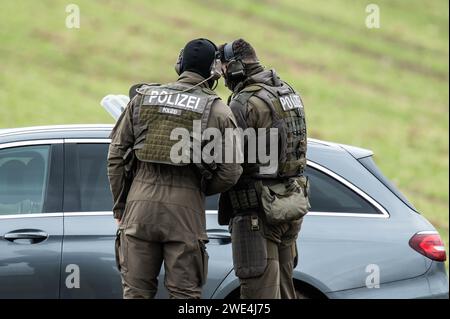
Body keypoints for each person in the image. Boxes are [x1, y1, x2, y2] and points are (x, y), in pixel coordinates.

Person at [107, 38, 242, 299]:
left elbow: (115, 157)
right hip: (186, 214)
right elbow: (231, 172)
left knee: (136, 293)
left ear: (179, 64)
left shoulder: (142, 98)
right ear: (213, 71)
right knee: (185, 296)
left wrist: (121, 206)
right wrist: (198, 187)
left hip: (139, 208)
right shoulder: (218, 110)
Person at [218, 39, 310, 299]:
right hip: (290, 204)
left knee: (259, 296)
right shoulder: (287, 92)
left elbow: (230, 161)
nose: (223, 76)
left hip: (257, 212)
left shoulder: (244, 103)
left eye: (224, 68)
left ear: (235, 67)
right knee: (285, 290)